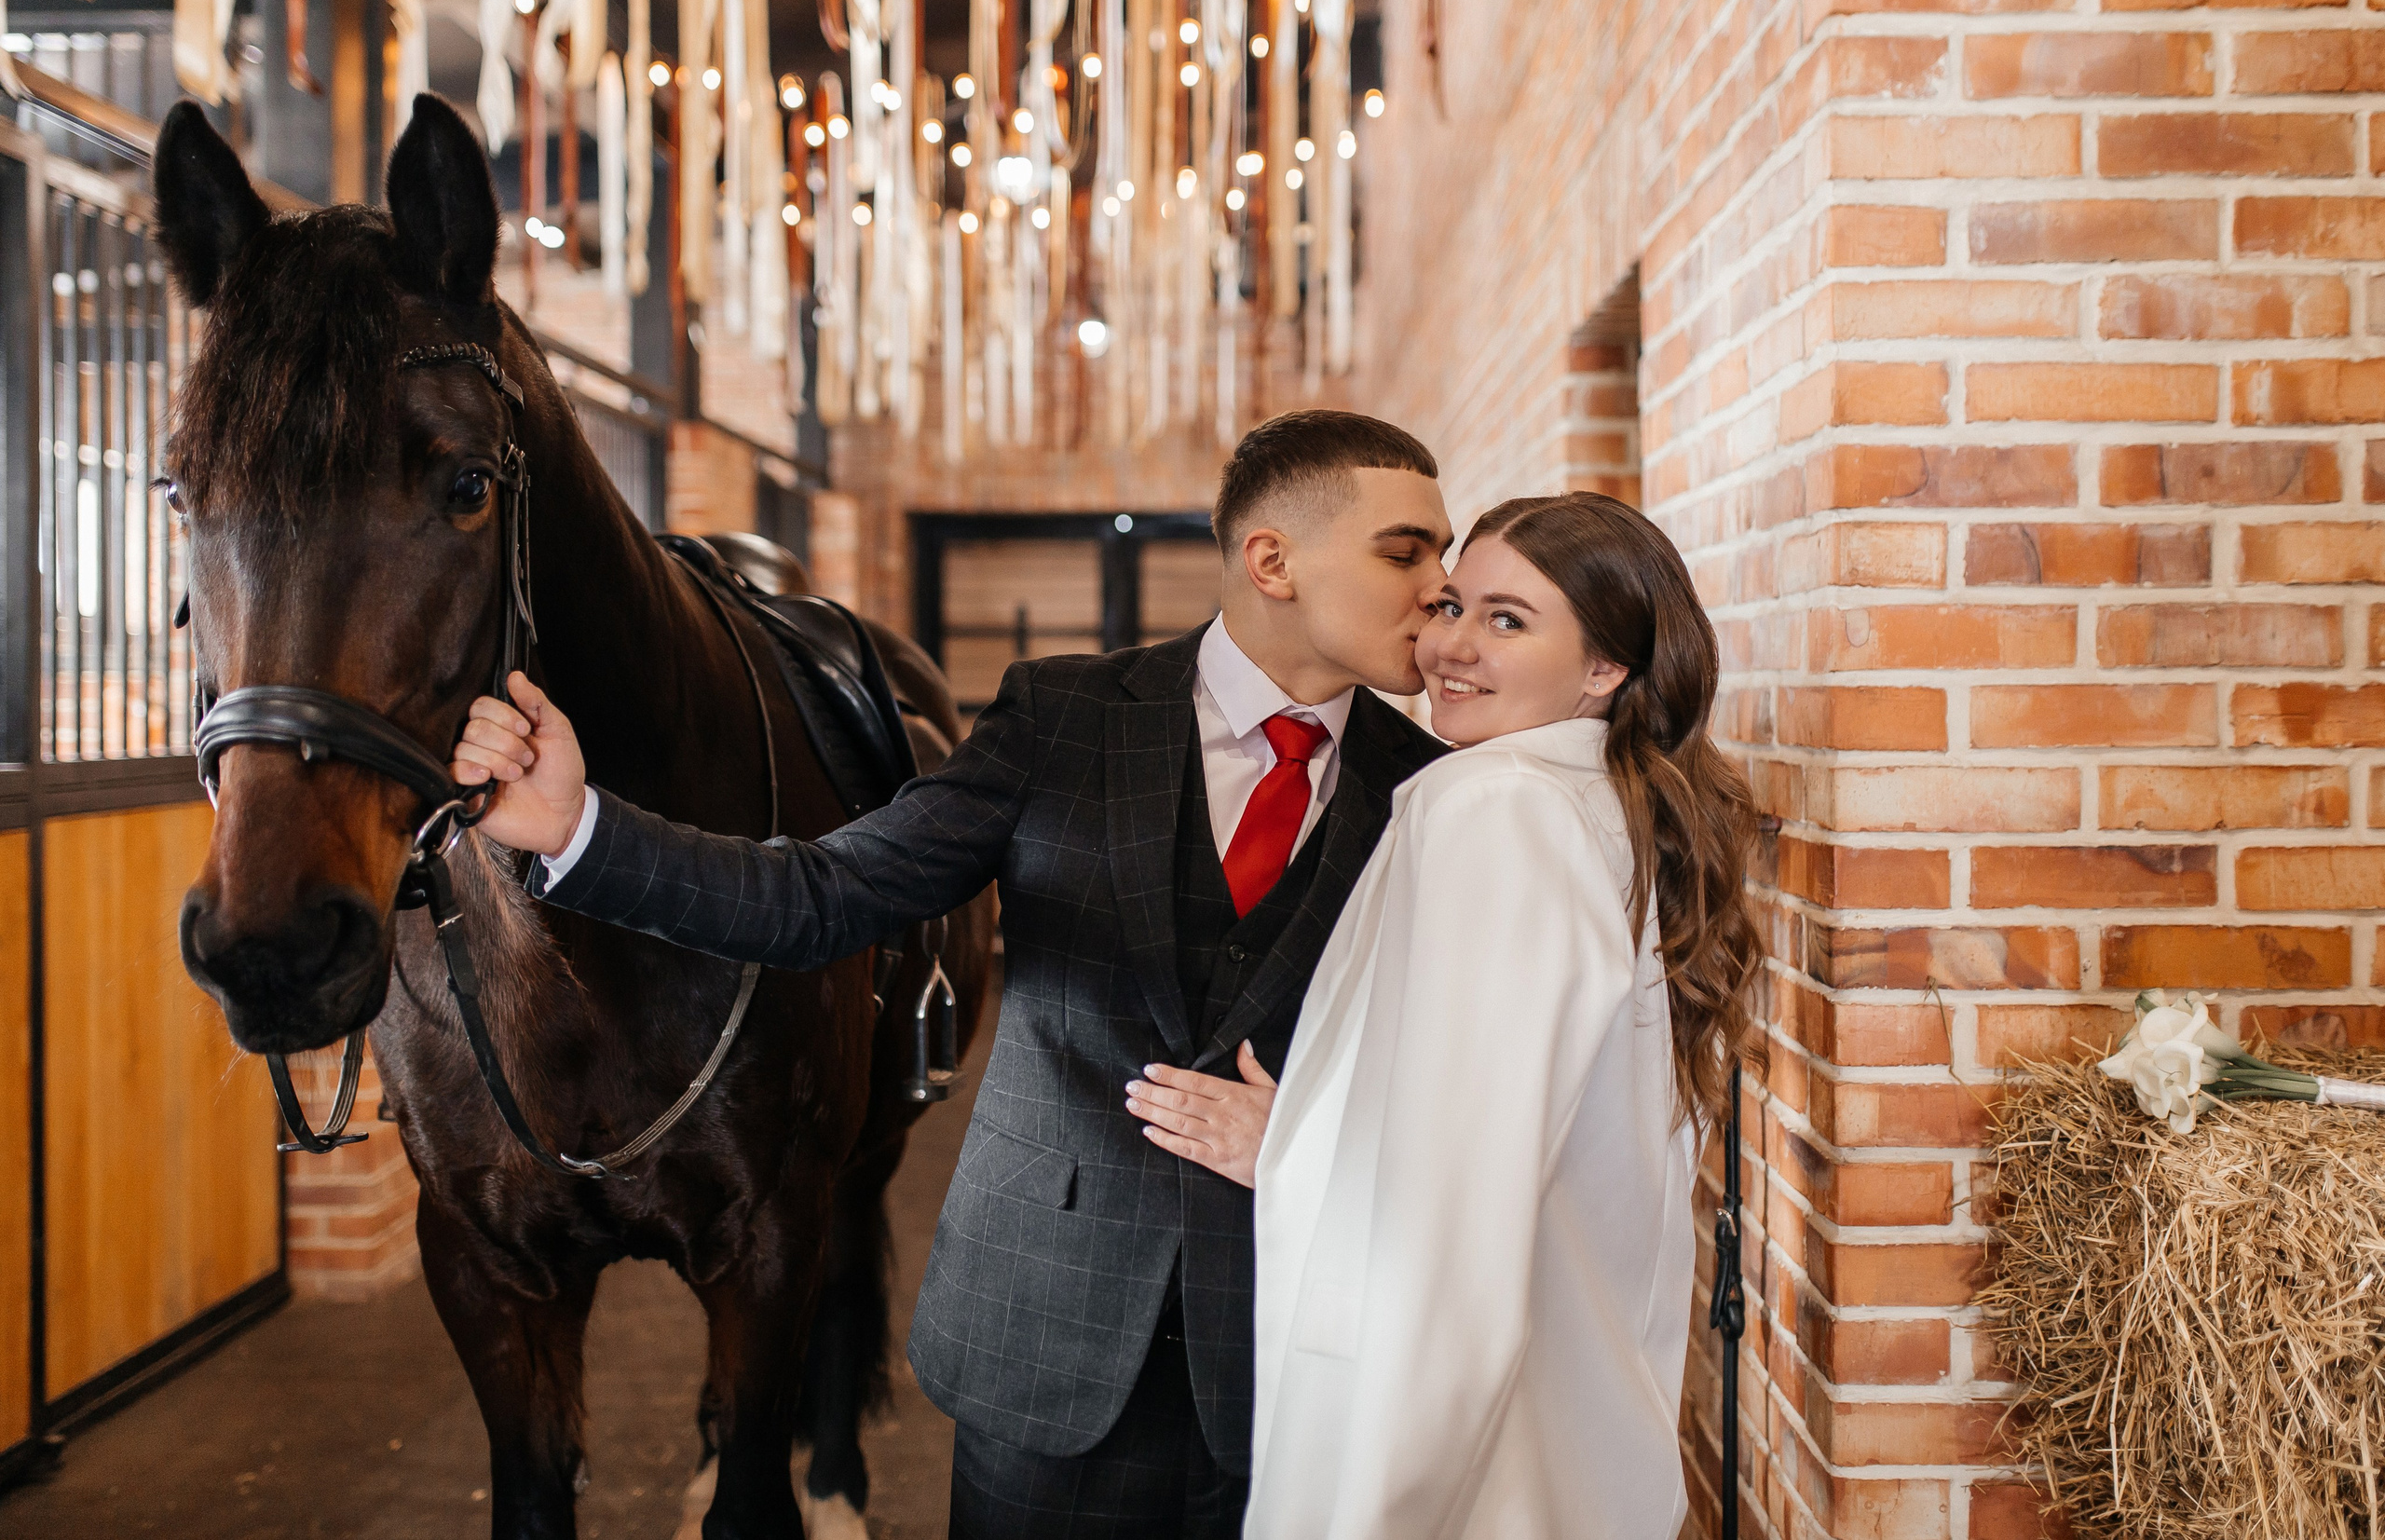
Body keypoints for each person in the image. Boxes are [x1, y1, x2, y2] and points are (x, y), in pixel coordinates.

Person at [448, 409, 1455, 1539]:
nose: (1440, 591)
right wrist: (580, 830)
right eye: (1407, 551)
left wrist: (1321, 1148)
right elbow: (820, 897)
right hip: (1047, 1337)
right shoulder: (1062, 717)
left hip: (1307, 1353)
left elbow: (1470, 1091)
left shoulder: (1436, 794)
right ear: (1271, 559)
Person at [1125, 490, 1764, 1539]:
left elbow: (1462, 1188)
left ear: (1604, 669)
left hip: (1468, 1428)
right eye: (1453, 605)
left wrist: (1293, 1144)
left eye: (1508, 621)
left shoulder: (1493, 810)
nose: (1450, 647)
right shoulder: (1597, 805)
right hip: (1572, 1384)